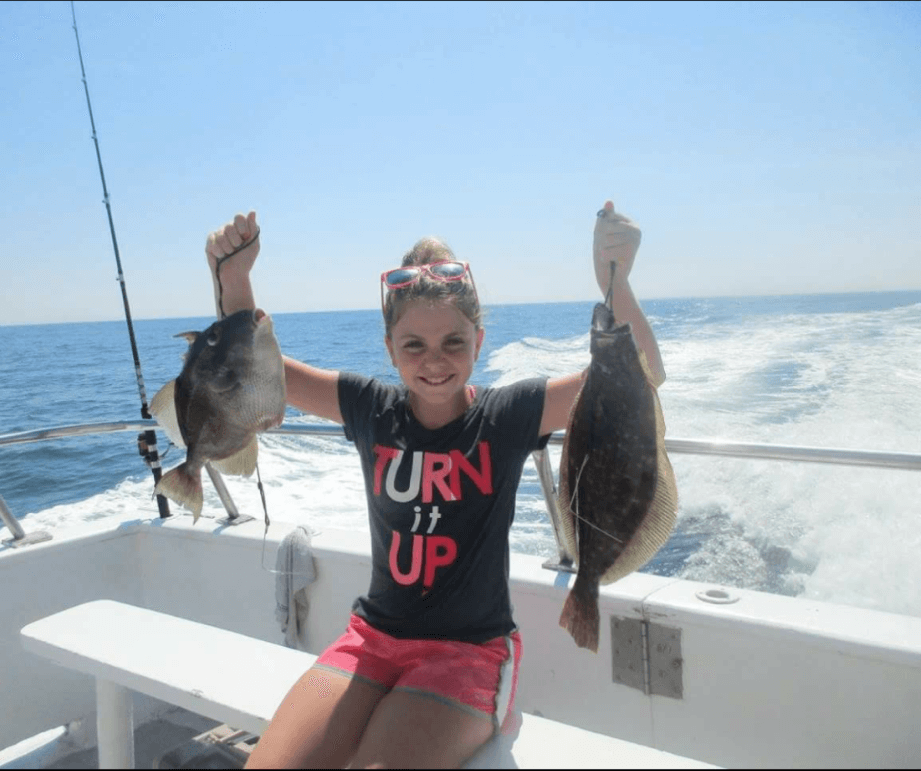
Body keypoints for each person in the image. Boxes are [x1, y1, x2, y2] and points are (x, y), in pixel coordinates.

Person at [203, 201, 665, 768]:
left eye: (453, 342)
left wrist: (613, 278)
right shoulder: (369, 408)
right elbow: (258, 370)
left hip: (467, 653)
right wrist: (235, 280)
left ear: (480, 340)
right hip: (368, 643)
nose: (435, 362)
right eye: (414, 345)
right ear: (389, 347)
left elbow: (638, 376)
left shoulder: (509, 414)